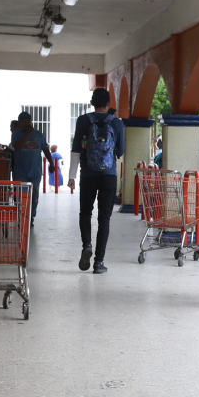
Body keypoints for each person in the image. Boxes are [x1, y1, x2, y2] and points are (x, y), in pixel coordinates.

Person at [68, 87, 125, 275]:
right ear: (109, 104)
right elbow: (121, 151)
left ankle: (87, 245)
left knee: (85, 212)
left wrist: (71, 176)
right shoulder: (115, 122)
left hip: (88, 175)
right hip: (109, 175)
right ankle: (99, 263)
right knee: (104, 219)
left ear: (91, 103)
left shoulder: (83, 120)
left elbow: (76, 148)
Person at [10, 112, 55, 227]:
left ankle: (30, 217)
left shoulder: (39, 135)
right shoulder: (16, 134)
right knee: (21, 196)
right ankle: (21, 216)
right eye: (23, 121)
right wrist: (27, 134)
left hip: (35, 172)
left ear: (31, 121)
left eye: (28, 121)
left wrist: (51, 163)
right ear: (19, 123)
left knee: (34, 196)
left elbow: (45, 149)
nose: (26, 123)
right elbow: (18, 146)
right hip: (20, 172)